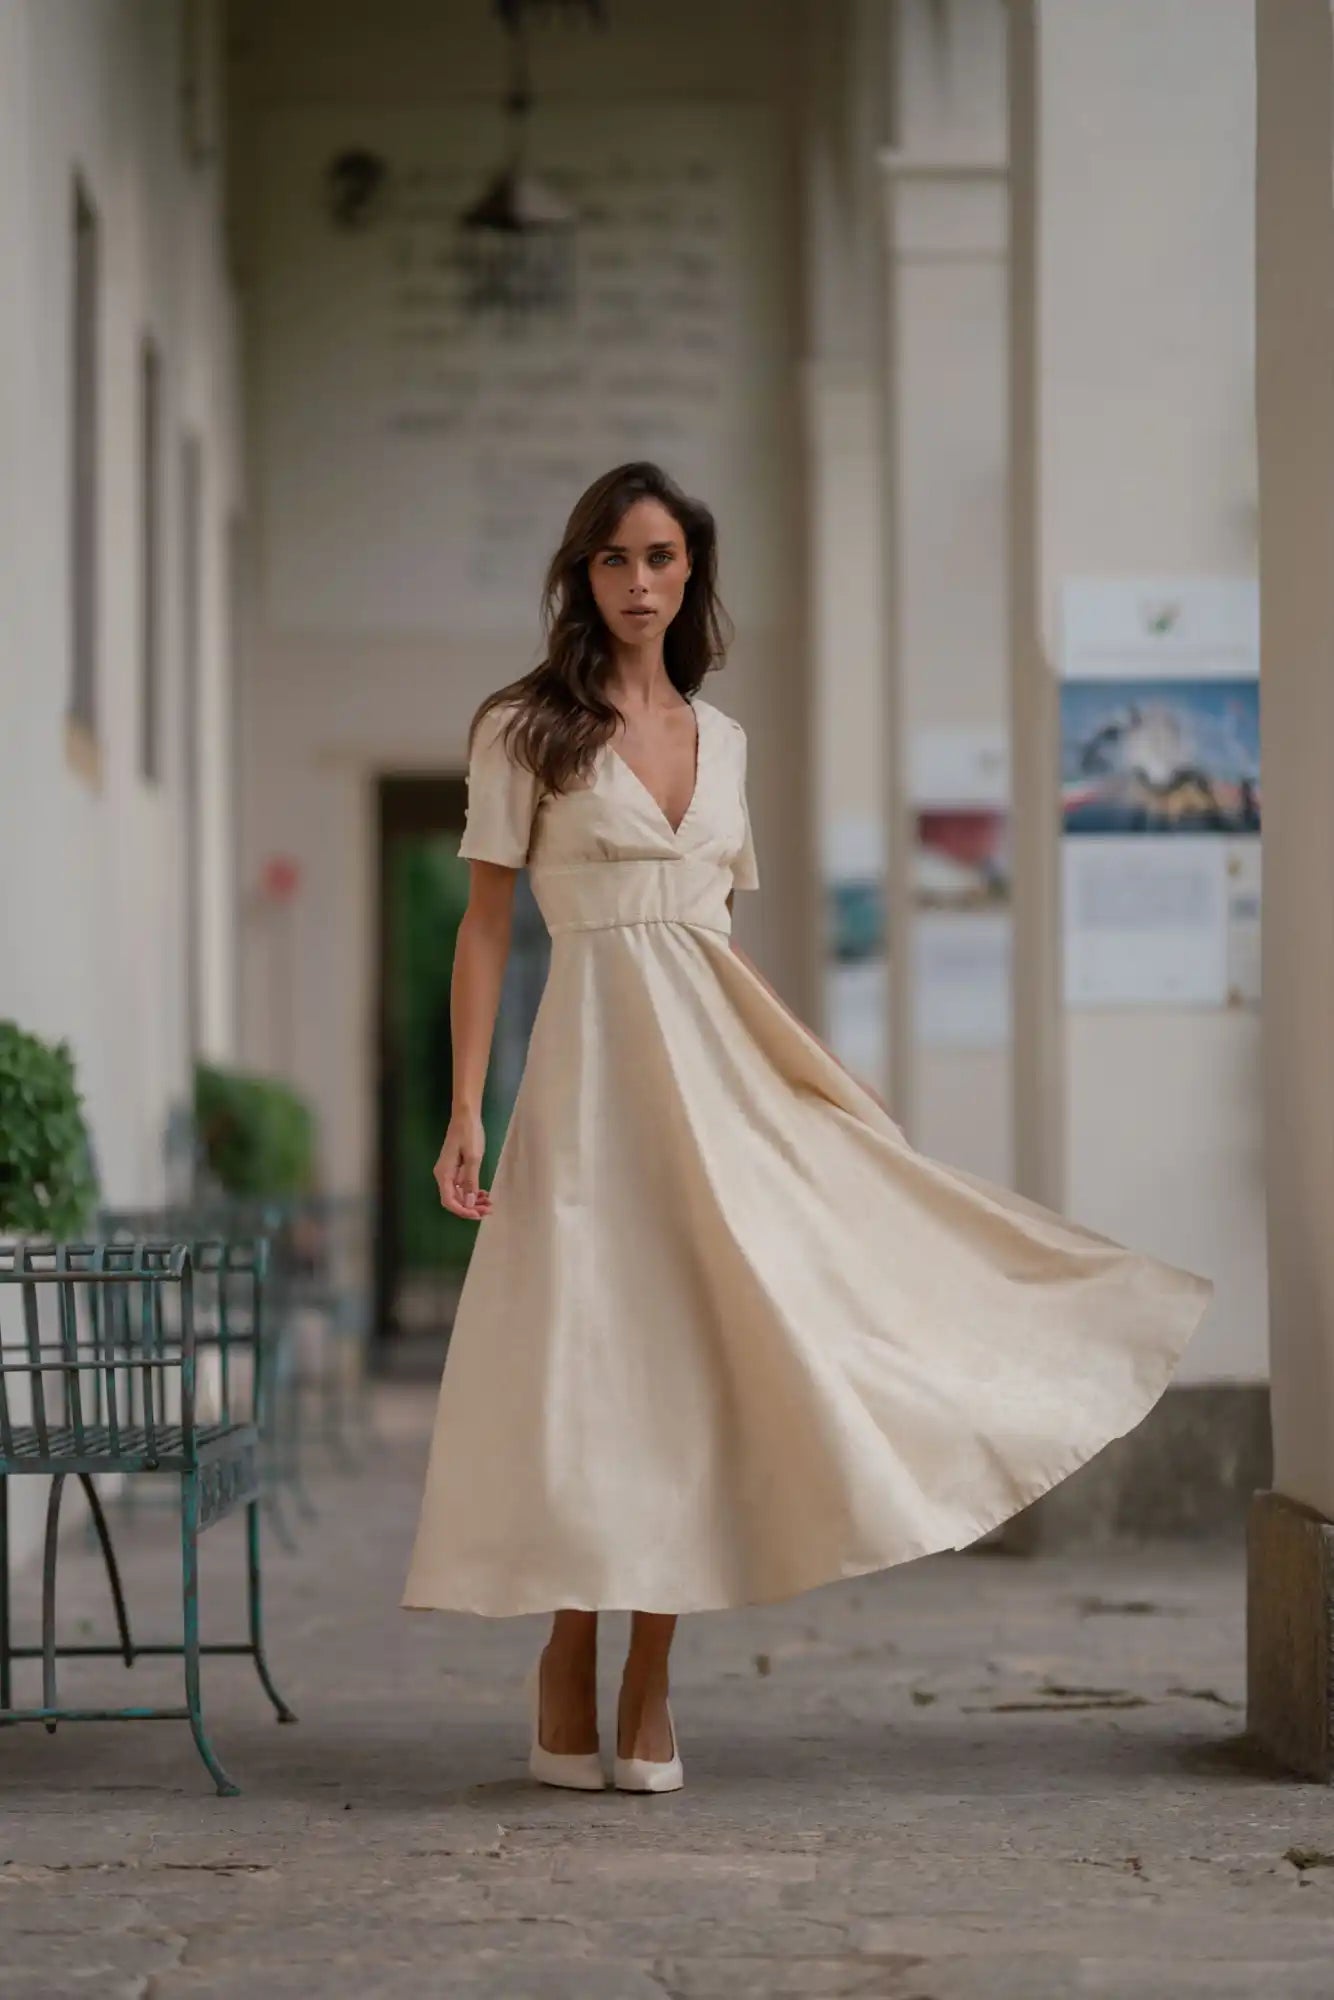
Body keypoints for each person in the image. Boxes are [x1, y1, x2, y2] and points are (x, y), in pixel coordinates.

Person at [401, 460, 1213, 1796]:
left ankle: (650, 1671)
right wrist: (464, 1109)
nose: (638, 583)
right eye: (612, 560)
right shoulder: (522, 729)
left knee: (706, 1353)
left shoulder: (726, 747)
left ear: (691, 571)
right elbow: (485, 928)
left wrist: (817, 1075)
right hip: (586, 1086)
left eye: (660, 558)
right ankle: (564, 1651)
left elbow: (714, 941)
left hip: (715, 1081)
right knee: (591, 1358)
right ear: (580, 575)